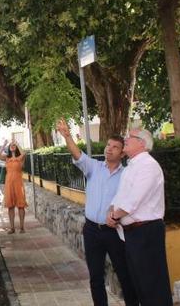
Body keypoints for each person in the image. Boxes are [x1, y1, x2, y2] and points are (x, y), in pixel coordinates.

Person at [56, 120, 138, 306]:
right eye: (108, 145)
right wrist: (67, 136)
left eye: (115, 147)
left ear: (122, 153)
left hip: (114, 232)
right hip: (92, 230)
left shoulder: (126, 175)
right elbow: (77, 154)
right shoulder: (94, 167)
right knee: (95, 277)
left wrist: (117, 215)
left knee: (125, 274)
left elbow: (131, 201)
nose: (109, 149)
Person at [107, 127, 172, 306]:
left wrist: (114, 215)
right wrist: (111, 212)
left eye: (130, 137)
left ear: (142, 143)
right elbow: (119, 197)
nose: (126, 139)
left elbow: (133, 201)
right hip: (132, 234)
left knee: (153, 286)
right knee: (140, 285)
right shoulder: (131, 166)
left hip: (146, 232)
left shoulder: (148, 166)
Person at [0, 138, 27, 233]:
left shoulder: (20, 158)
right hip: (9, 183)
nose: (12, 146)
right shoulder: (7, 158)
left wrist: (17, 143)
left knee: (21, 206)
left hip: (18, 184)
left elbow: (23, 153)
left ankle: (22, 227)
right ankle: (12, 228)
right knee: (10, 206)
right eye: (11, 146)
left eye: (13, 146)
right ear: (9, 148)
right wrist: (4, 145)